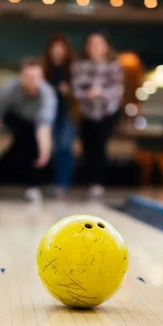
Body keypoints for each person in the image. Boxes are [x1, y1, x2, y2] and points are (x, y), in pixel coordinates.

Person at [0, 57, 57, 201]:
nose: (33, 81)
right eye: (28, 77)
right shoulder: (9, 90)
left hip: (34, 123)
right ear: (20, 77)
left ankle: (31, 185)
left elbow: (44, 125)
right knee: (25, 141)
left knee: (29, 145)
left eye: (36, 77)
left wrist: (45, 150)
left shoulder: (47, 94)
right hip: (14, 116)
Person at [71, 30, 124, 199]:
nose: (95, 48)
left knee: (100, 146)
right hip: (87, 113)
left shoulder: (114, 66)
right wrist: (88, 95)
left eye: (98, 44)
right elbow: (76, 89)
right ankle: (88, 180)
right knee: (87, 147)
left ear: (106, 47)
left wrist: (101, 93)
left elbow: (117, 90)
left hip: (107, 112)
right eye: (91, 44)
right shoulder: (79, 65)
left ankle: (98, 182)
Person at [42, 34, 76, 200]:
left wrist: (68, 92)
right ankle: (51, 182)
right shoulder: (44, 70)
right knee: (50, 148)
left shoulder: (73, 69)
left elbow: (78, 94)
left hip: (67, 111)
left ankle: (62, 185)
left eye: (61, 48)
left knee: (65, 147)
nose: (57, 51)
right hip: (48, 113)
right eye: (54, 48)